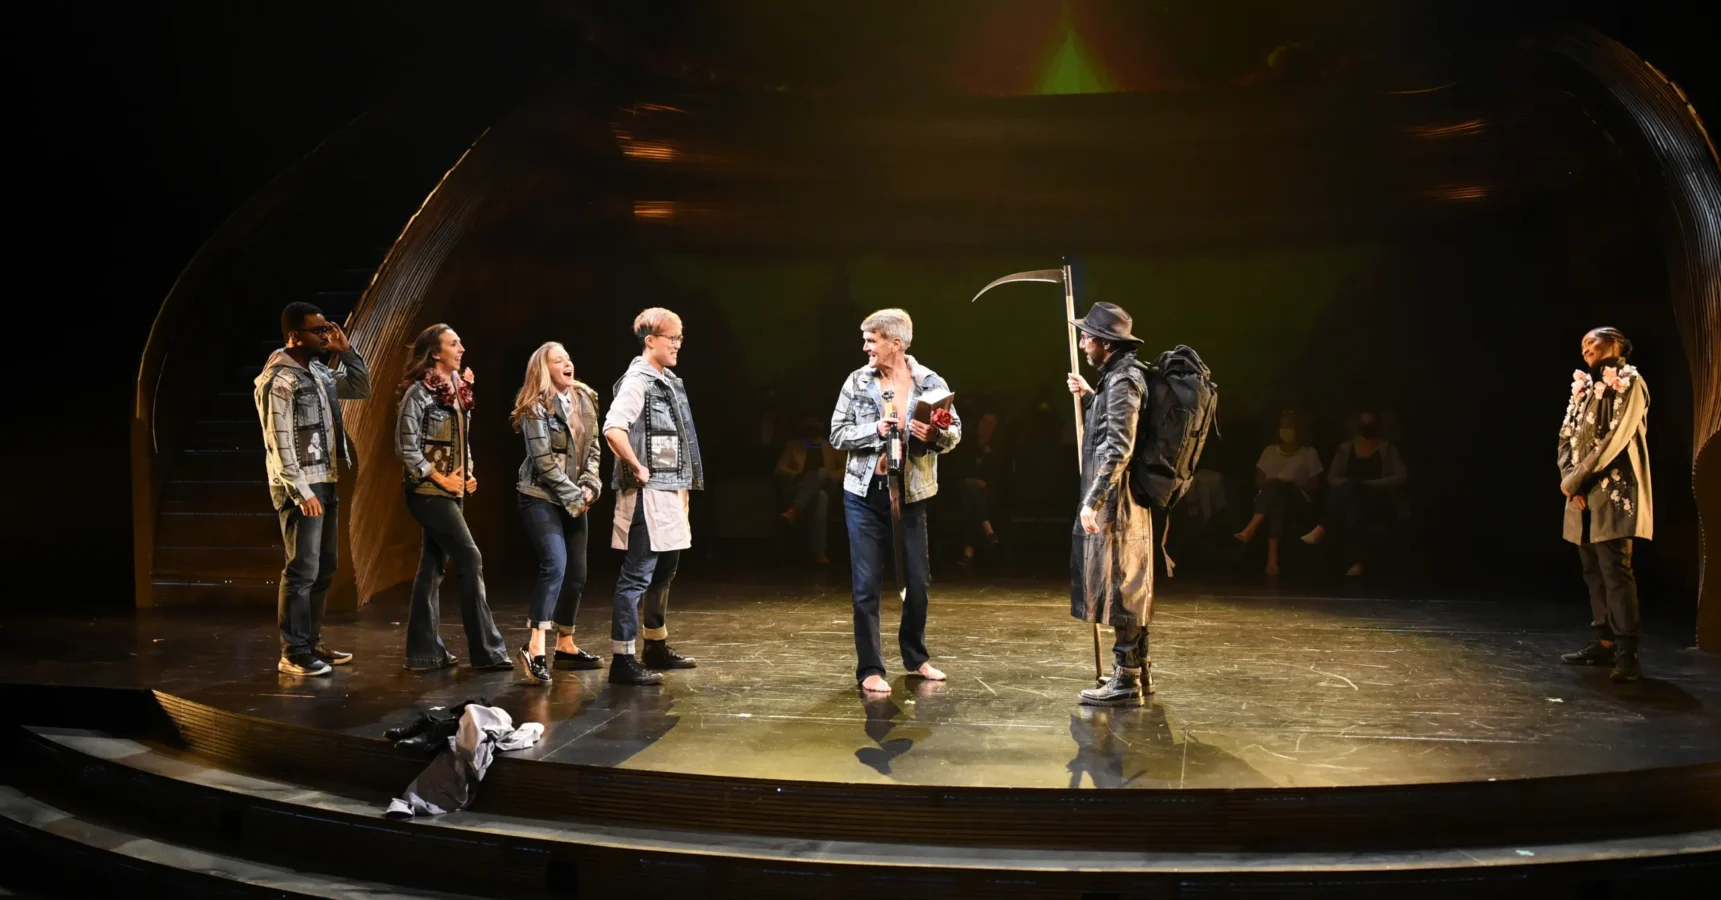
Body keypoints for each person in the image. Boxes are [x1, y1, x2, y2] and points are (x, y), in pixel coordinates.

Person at [829, 308, 961, 695]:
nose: (865, 347)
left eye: (872, 340)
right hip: (865, 494)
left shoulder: (931, 382)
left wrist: (934, 433)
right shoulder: (857, 381)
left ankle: (916, 656)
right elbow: (837, 434)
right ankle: (869, 667)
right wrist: (875, 429)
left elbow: (955, 432)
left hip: (912, 493)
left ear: (896, 343)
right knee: (866, 584)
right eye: (865, 340)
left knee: (917, 582)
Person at [254, 301, 371, 677]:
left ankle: (312, 641)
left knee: (325, 568)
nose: (325, 335)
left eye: (325, 329)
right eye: (318, 331)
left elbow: (360, 387)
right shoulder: (279, 380)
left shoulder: (318, 372)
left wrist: (346, 351)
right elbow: (279, 440)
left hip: (328, 477)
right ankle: (293, 650)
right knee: (302, 569)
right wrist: (301, 490)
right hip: (300, 486)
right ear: (294, 335)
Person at [395, 324, 509, 671]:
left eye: (460, 342)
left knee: (432, 566)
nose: (461, 349)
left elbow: (463, 439)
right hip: (428, 492)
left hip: (451, 489)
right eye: (453, 344)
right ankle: (486, 652)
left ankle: (424, 654)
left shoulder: (460, 390)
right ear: (435, 353)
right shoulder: (419, 393)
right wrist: (440, 477)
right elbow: (406, 446)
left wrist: (468, 471)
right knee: (470, 558)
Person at [604, 307, 704, 686]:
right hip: (649, 493)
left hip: (671, 489)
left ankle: (655, 645)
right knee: (637, 576)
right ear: (651, 341)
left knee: (665, 572)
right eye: (672, 338)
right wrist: (636, 465)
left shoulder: (668, 381)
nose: (678, 344)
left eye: (680, 338)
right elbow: (614, 428)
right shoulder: (638, 381)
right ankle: (622, 658)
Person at [1063, 302, 1154, 706]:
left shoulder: (1123, 381)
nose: (1082, 343)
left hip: (1119, 501)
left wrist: (1092, 500)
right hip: (1120, 498)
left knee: (1122, 587)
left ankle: (1126, 679)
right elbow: (1109, 426)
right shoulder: (1115, 379)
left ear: (1104, 342)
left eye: (1086, 337)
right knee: (1127, 584)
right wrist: (1090, 394)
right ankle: (1139, 672)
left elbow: (1118, 448)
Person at [1558, 327, 1653, 683]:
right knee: (1592, 570)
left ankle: (1628, 652)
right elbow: (1566, 436)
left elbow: (1616, 438)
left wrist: (1578, 478)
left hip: (1612, 489)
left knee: (1615, 570)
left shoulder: (1630, 382)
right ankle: (1605, 641)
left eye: (1592, 341)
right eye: (1582, 344)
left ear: (1615, 342)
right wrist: (1570, 480)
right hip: (1580, 492)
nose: (1585, 348)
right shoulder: (1583, 387)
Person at [511, 341, 605, 685]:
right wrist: (573, 495)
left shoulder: (585, 399)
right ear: (544, 369)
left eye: (569, 358)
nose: (568, 364)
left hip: (576, 498)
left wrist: (591, 485)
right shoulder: (536, 407)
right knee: (555, 564)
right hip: (540, 497)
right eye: (558, 361)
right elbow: (544, 463)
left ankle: (565, 645)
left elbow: (593, 449)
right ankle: (534, 648)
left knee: (577, 573)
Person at [1300, 408, 1409, 576]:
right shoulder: (1345, 449)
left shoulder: (1387, 449)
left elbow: (1401, 475)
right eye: (1363, 422)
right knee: (1352, 497)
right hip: (1352, 498)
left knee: (1353, 490)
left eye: (1369, 423)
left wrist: (1369, 484)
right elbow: (1332, 478)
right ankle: (1358, 562)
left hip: (1379, 498)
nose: (1366, 426)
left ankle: (1322, 528)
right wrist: (1354, 484)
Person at [1233, 410, 1323, 575]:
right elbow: (1259, 481)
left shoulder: (1309, 453)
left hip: (1297, 498)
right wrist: (1276, 482)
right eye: (1283, 426)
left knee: (1280, 490)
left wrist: (1291, 482)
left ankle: (1251, 528)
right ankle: (1272, 561)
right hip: (1269, 497)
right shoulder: (1269, 451)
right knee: (1276, 496)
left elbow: (1313, 484)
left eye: (1289, 426)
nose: (1285, 430)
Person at [775, 416, 841, 564]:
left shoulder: (831, 447)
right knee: (820, 497)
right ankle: (818, 553)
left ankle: (793, 511)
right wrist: (797, 475)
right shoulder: (793, 446)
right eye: (810, 420)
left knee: (822, 473)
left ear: (822, 424)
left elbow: (846, 469)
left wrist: (828, 476)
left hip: (828, 486)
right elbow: (779, 469)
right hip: (799, 488)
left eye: (817, 420)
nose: (813, 424)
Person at [948, 409, 1004, 568]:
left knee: (970, 502)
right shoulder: (965, 444)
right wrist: (972, 480)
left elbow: (998, 476)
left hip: (984, 494)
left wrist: (989, 453)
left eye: (991, 424)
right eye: (983, 422)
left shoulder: (997, 449)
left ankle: (968, 552)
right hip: (960, 487)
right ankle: (988, 530)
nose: (986, 426)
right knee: (970, 489)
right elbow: (956, 470)